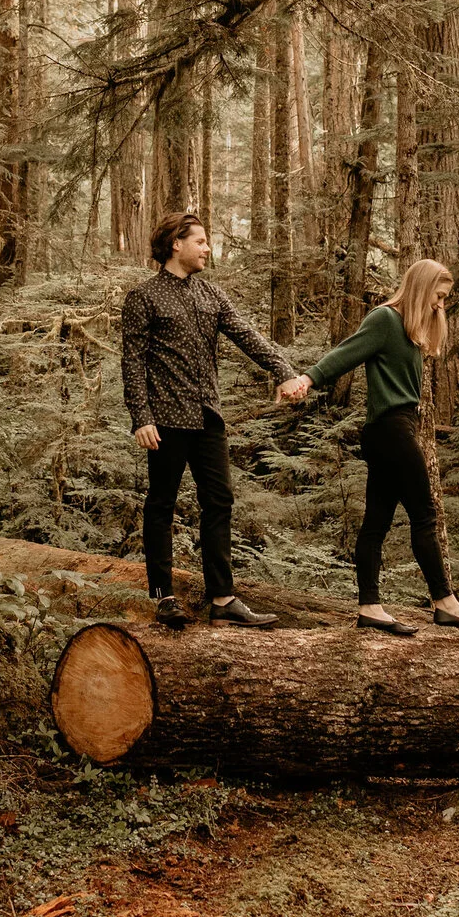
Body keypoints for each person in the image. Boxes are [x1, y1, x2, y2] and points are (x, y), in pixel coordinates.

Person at [120, 212, 308, 629]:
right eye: (201, 241)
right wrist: (141, 417)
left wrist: (284, 371)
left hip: (207, 418)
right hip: (164, 420)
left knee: (219, 502)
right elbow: (132, 362)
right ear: (176, 244)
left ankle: (222, 598)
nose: (207, 249)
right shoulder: (144, 297)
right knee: (162, 505)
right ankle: (163, 596)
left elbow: (247, 335)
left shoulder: (212, 296)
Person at [303, 258, 459, 636]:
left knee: (376, 522)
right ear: (422, 289)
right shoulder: (384, 320)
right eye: (438, 297)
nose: (441, 305)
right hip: (390, 430)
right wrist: (309, 378)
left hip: (396, 428)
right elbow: (345, 353)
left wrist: (435, 319)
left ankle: (370, 608)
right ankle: (445, 603)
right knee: (424, 514)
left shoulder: (408, 329)